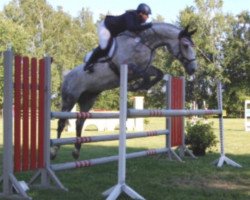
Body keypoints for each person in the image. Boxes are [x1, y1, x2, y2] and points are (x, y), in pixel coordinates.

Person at [84, 3, 152, 72]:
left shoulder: (138, 20)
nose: (148, 17)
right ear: (141, 13)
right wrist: (148, 26)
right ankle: (88, 64)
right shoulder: (130, 15)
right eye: (147, 15)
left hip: (114, 32)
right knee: (104, 46)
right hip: (106, 27)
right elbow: (131, 28)